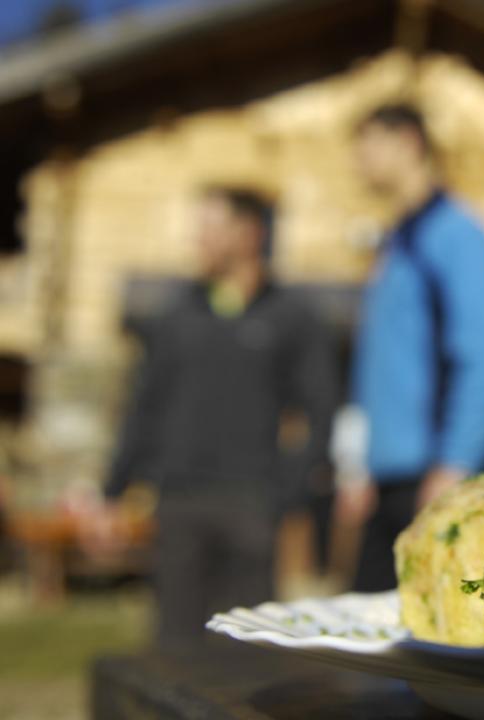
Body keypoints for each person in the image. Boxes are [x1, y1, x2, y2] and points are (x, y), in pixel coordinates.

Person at [100, 186, 338, 647]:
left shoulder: (292, 317)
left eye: (211, 227)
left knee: (246, 648)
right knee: (175, 644)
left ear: (249, 233)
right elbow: (144, 406)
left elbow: (321, 408)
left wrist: (290, 489)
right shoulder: (175, 315)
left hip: (252, 502)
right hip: (178, 501)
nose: (199, 240)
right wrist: (114, 488)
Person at [339, 103, 484, 592]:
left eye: (368, 144)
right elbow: (375, 367)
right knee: (370, 638)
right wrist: (357, 463)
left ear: (409, 143)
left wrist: (455, 463)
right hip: (387, 483)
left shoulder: (456, 234)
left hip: (435, 480)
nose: (358, 161)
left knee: (438, 644)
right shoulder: (396, 242)